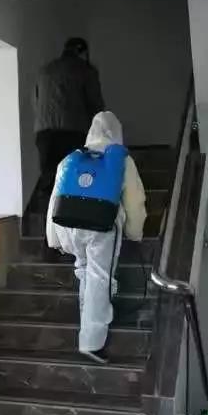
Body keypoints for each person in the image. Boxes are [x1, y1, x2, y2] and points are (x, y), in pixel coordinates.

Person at [46, 112, 147, 364]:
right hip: (101, 228)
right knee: (100, 279)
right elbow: (135, 202)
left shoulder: (71, 159)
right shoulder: (121, 160)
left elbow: (54, 200)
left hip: (69, 227)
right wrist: (135, 233)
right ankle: (92, 342)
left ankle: (87, 323)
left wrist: (54, 238)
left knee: (84, 272)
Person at [34, 37, 105, 195]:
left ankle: (47, 208)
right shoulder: (85, 70)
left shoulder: (45, 70)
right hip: (73, 130)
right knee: (74, 179)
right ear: (83, 53)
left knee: (49, 179)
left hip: (44, 132)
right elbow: (95, 103)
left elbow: (36, 100)